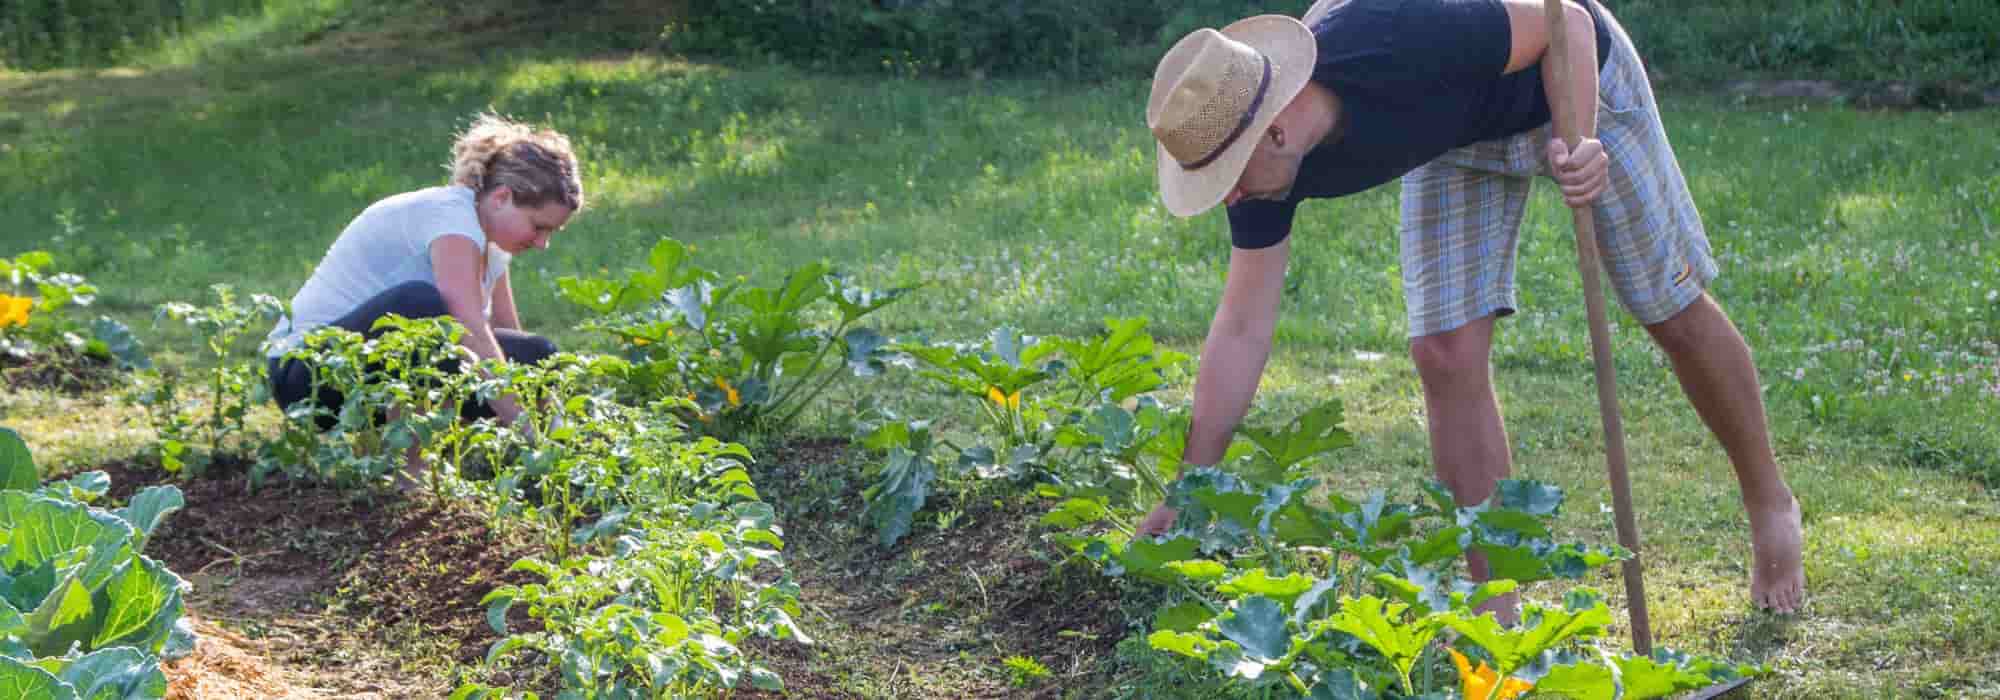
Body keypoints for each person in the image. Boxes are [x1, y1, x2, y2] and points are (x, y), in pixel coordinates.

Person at [1137, 0, 1805, 615]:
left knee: (1669, 307)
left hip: (1566, 78)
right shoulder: (1260, 167)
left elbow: (1564, 22)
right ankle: (1496, 608)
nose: (1226, 199)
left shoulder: (1399, 37)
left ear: (1276, 132)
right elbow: (1243, 324)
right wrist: (1189, 486)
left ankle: (1770, 503)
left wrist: (1583, 143)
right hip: (1455, 135)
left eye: (1225, 179)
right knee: (1445, 352)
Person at [264, 112, 584, 483]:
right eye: (539, 226)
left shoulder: (491, 242)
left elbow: (508, 339)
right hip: (307, 378)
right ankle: (409, 472)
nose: (543, 243)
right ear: (501, 197)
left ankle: (556, 470)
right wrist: (530, 432)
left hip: (366, 373)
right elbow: (468, 327)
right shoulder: (452, 220)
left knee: (539, 354)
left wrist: (550, 423)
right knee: (425, 308)